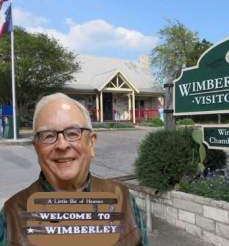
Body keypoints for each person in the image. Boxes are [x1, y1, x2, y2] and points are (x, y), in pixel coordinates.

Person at [0, 93, 148, 246]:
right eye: (48, 136)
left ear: (91, 143)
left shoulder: (123, 200)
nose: (62, 145)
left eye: (72, 133)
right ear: (37, 147)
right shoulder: (12, 215)